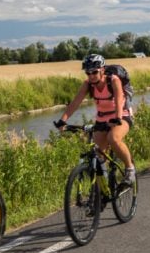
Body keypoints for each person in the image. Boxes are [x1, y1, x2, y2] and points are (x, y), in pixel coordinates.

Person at [54, 54, 136, 185]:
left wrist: (117, 118)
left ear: (102, 70)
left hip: (122, 115)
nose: (91, 75)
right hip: (102, 119)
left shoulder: (113, 80)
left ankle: (130, 169)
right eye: (88, 73)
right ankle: (102, 192)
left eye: (94, 72)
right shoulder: (88, 84)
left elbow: (120, 99)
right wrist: (63, 120)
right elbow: (75, 102)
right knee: (98, 156)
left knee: (113, 138)